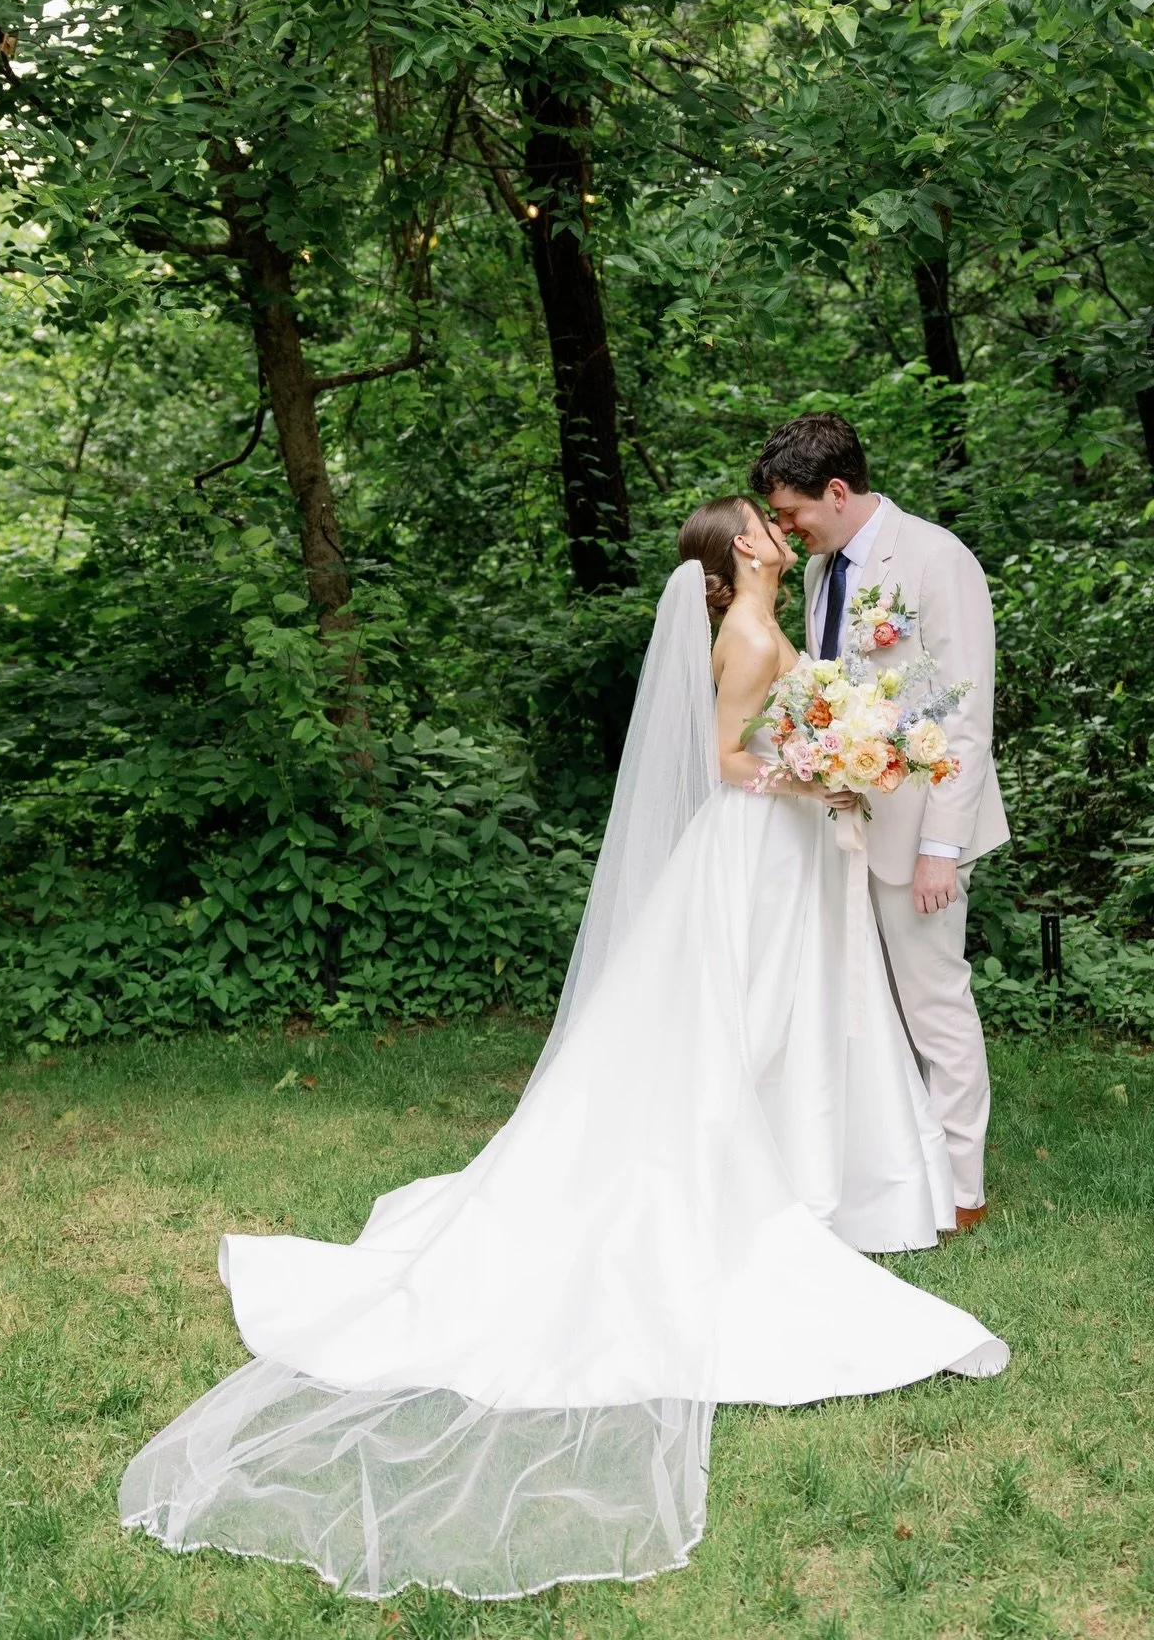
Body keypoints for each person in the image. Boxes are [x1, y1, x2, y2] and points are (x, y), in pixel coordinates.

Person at [119, 496, 1007, 1603]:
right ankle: (769, 1180)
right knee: (741, 1024)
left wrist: (825, 754)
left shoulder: (782, 613)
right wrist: (815, 762)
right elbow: (730, 760)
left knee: (792, 1021)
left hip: (790, 851)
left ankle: (813, 1171)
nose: (776, 529)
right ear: (742, 549)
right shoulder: (743, 633)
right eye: (759, 523)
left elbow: (769, 737)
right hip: (755, 846)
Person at [750, 414, 1010, 1228]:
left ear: (837, 490)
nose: (786, 528)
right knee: (860, 1003)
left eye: (793, 510)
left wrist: (942, 847)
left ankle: (962, 1186)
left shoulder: (936, 559)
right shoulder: (824, 571)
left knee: (933, 1000)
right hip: (843, 820)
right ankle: (891, 1169)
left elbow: (966, 716)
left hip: (923, 830)